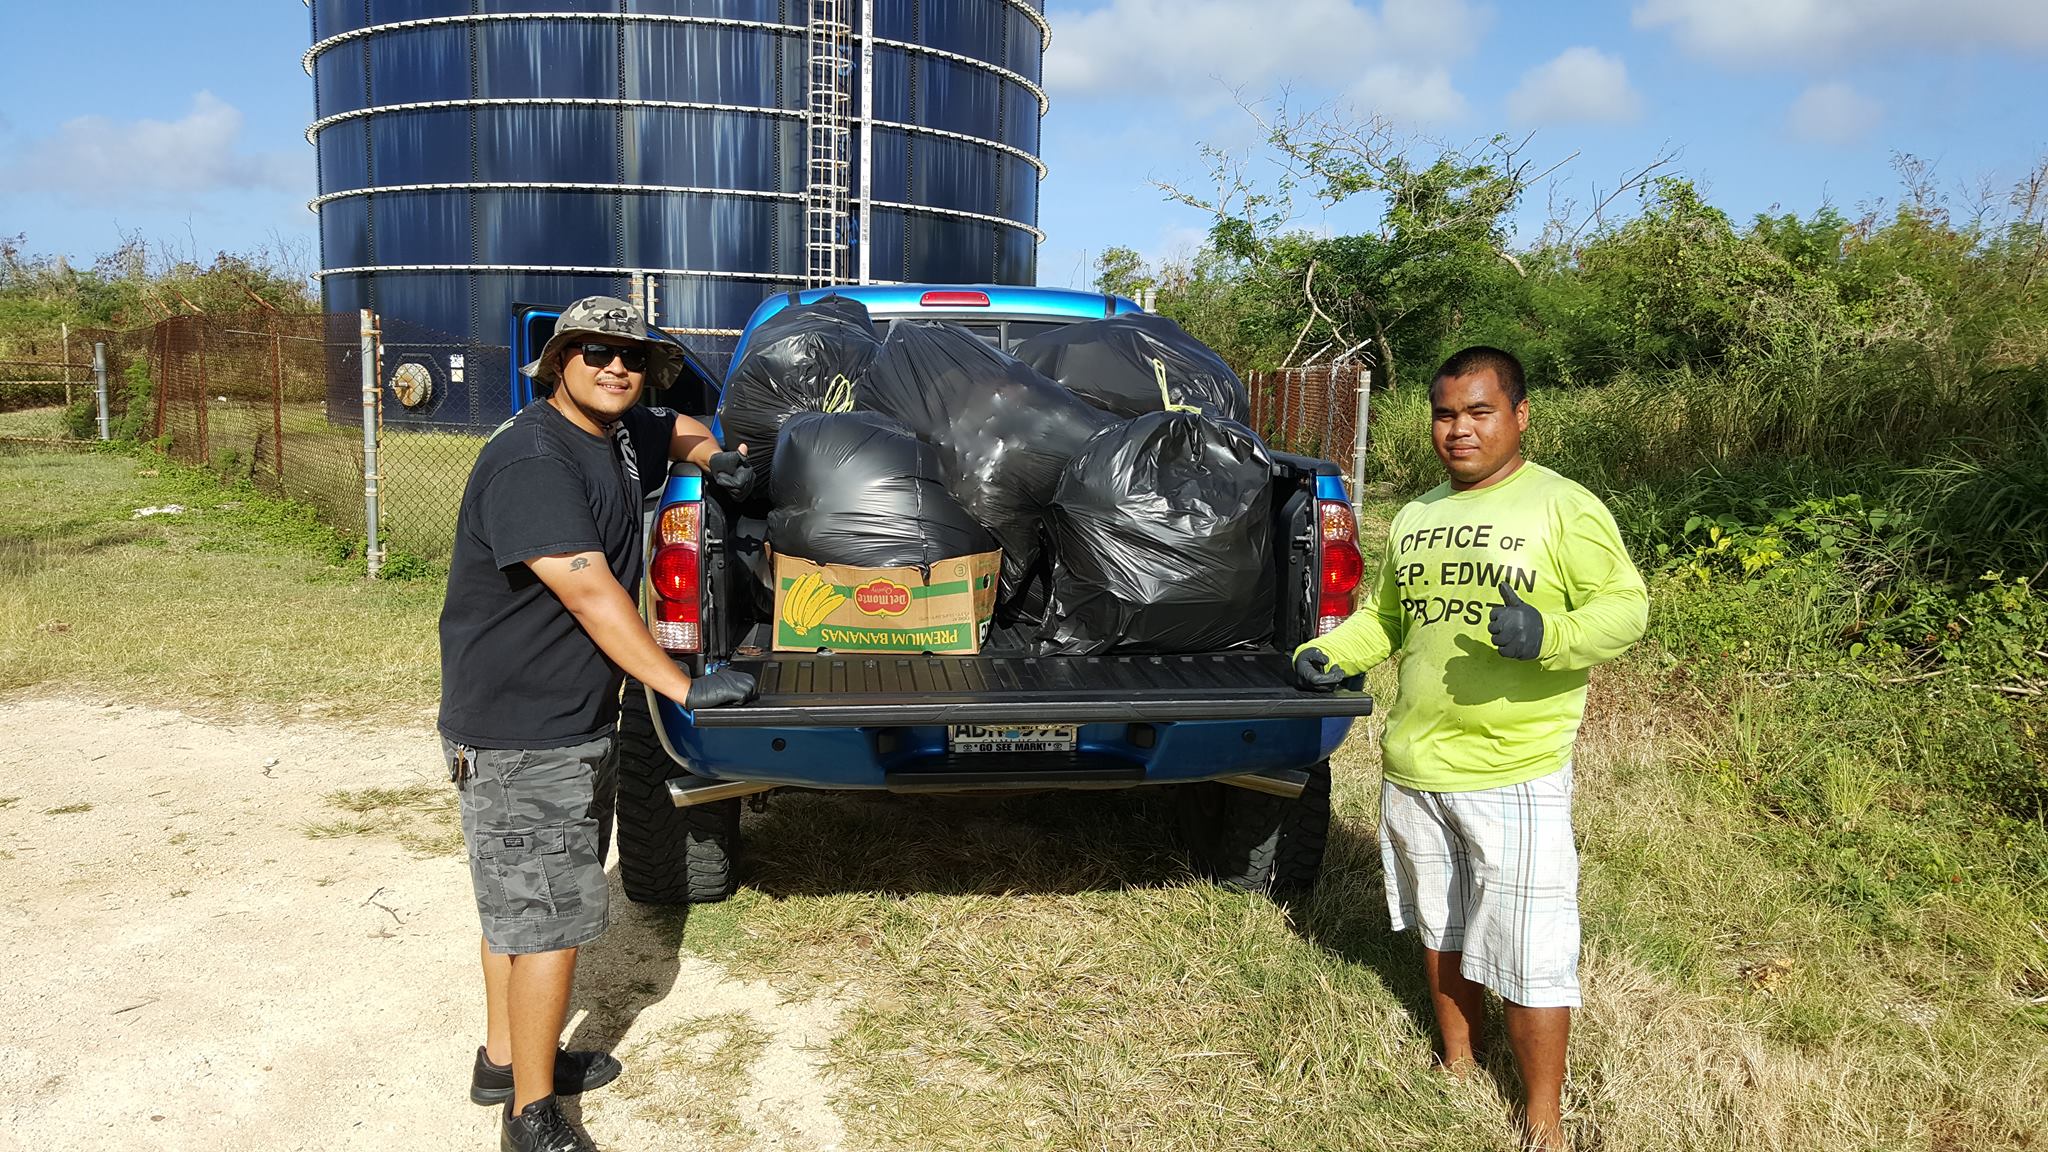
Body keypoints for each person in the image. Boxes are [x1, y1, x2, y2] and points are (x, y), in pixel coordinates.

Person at [1294, 346, 1647, 1150]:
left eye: (1480, 412)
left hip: (1512, 768)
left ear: (1519, 416)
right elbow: (1386, 616)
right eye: (1446, 414)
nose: (1459, 430)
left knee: (1530, 950)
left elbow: (1627, 610)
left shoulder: (1564, 507)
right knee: (1440, 924)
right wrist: (1332, 655)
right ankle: (1457, 1065)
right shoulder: (1417, 515)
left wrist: (1549, 633)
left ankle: (1543, 1121)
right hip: (1416, 763)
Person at [438, 296, 759, 1152]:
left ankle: (505, 1061)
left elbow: (681, 426)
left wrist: (718, 455)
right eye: (593, 352)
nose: (614, 367)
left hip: (561, 715)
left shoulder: (615, 433)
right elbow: (588, 589)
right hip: (522, 729)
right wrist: (682, 687)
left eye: (630, 355)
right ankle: (532, 1117)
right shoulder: (533, 460)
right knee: (548, 920)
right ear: (556, 362)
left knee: (518, 903)